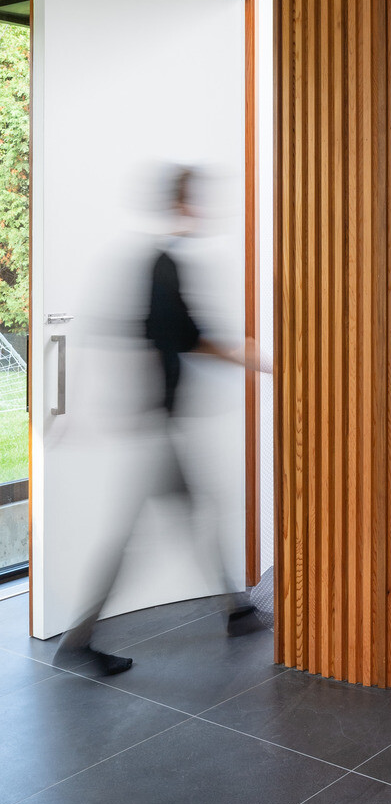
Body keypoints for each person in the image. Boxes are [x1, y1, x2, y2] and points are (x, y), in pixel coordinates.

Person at [54, 166, 268, 677]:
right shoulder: (162, 266)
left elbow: (173, 334)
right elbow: (188, 336)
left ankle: (236, 609)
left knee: (198, 510)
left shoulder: (162, 263)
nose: (205, 210)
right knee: (132, 534)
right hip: (156, 426)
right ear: (182, 204)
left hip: (162, 422)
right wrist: (253, 358)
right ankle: (78, 640)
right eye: (197, 200)